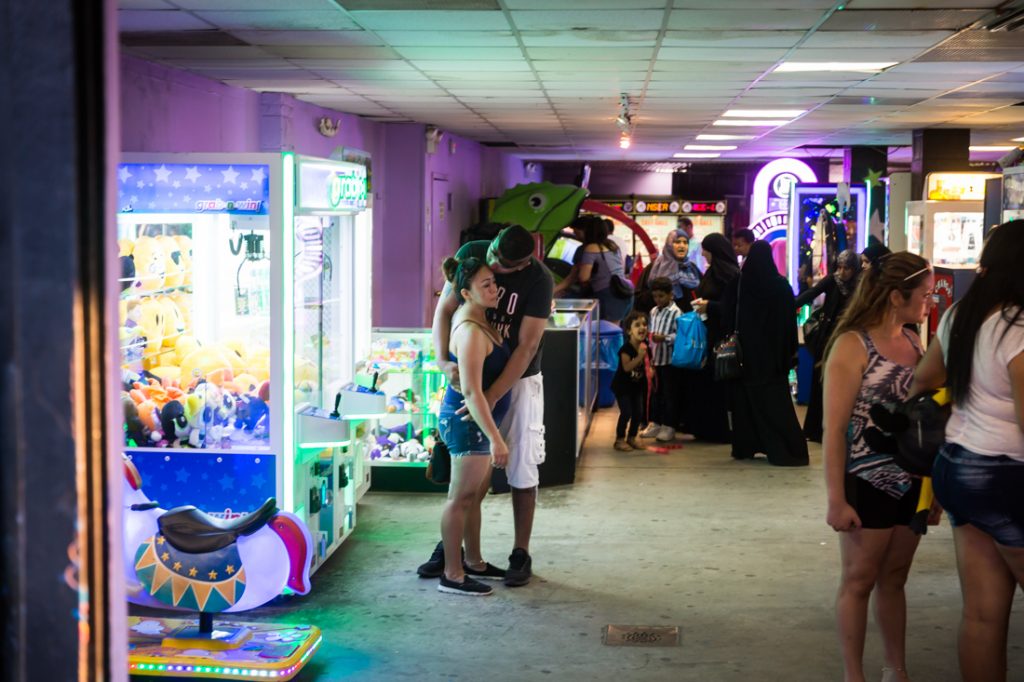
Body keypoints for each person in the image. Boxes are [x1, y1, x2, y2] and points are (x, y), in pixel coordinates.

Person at [910, 220, 1024, 682]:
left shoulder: (962, 314)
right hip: (1007, 474)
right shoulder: (1018, 327)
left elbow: (924, 377)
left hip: (957, 467)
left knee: (981, 614)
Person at [418, 223, 552, 588]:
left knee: (522, 466)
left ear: (521, 265)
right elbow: (443, 310)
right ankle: (453, 554)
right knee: (467, 479)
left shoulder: (539, 280)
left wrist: (490, 398)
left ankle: (518, 552)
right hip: (472, 376)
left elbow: (527, 347)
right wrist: (443, 362)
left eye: (500, 269)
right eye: (490, 257)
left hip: (517, 380)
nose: (491, 268)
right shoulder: (473, 256)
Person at [822, 251, 935, 682]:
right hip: (864, 481)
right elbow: (834, 432)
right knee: (859, 579)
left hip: (911, 481)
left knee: (895, 577)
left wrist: (932, 486)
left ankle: (896, 669)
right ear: (894, 296)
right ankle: (854, 675)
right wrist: (836, 499)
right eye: (923, 294)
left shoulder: (913, 341)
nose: (928, 300)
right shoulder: (852, 345)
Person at [435, 257, 511, 596]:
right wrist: (496, 439)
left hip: (477, 422)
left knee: (474, 497)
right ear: (466, 292)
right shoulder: (468, 331)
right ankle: (452, 573)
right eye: (486, 285)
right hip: (468, 423)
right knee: (461, 498)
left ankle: (475, 562)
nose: (494, 289)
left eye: (494, 282)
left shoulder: (478, 319)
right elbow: (470, 391)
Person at [701, 240, 808, 466]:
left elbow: (728, 315)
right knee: (776, 405)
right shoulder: (780, 287)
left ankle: (746, 446)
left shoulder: (741, 284)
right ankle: (787, 450)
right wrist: (789, 354)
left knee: (746, 403)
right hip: (772, 359)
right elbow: (789, 324)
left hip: (746, 357)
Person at [795, 249, 863, 442]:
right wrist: (789, 305)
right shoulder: (834, 280)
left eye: (847, 268)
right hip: (827, 338)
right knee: (820, 383)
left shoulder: (862, 284)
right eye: (839, 267)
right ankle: (815, 429)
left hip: (849, 338)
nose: (842, 272)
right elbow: (811, 293)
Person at [685, 233, 740, 443]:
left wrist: (710, 306)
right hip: (707, 332)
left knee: (716, 382)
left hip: (720, 335)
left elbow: (732, 306)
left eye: (706, 250)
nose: (703, 254)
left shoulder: (730, 275)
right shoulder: (712, 272)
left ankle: (718, 430)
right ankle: (705, 427)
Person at [639, 277, 681, 442]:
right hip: (655, 360)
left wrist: (665, 338)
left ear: (671, 295)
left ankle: (669, 425)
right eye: (655, 296)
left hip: (669, 360)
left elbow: (680, 336)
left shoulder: (676, 313)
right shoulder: (653, 311)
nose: (658, 299)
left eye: (661, 296)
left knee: (670, 394)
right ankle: (655, 422)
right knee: (656, 393)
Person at [573, 214, 633, 324]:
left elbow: (583, 277)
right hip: (624, 290)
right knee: (615, 331)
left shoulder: (591, 248)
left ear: (588, 231)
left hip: (608, 294)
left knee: (605, 332)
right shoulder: (612, 245)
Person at [612, 311, 651, 451]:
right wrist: (639, 357)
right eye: (637, 325)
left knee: (638, 413)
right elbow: (627, 367)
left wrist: (651, 369)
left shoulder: (645, 346)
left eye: (644, 324)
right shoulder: (626, 349)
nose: (642, 328)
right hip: (622, 387)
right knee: (626, 412)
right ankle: (619, 439)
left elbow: (648, 363)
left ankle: (632, 437)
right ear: (629, 331)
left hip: (637, 386)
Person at [648, 227, 702, 313]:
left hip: (688, 320)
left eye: (685, 242)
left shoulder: (692, 268)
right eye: (677, 242)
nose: (682, 246)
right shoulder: (656, 266)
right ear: (669, 244)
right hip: (663, 318)